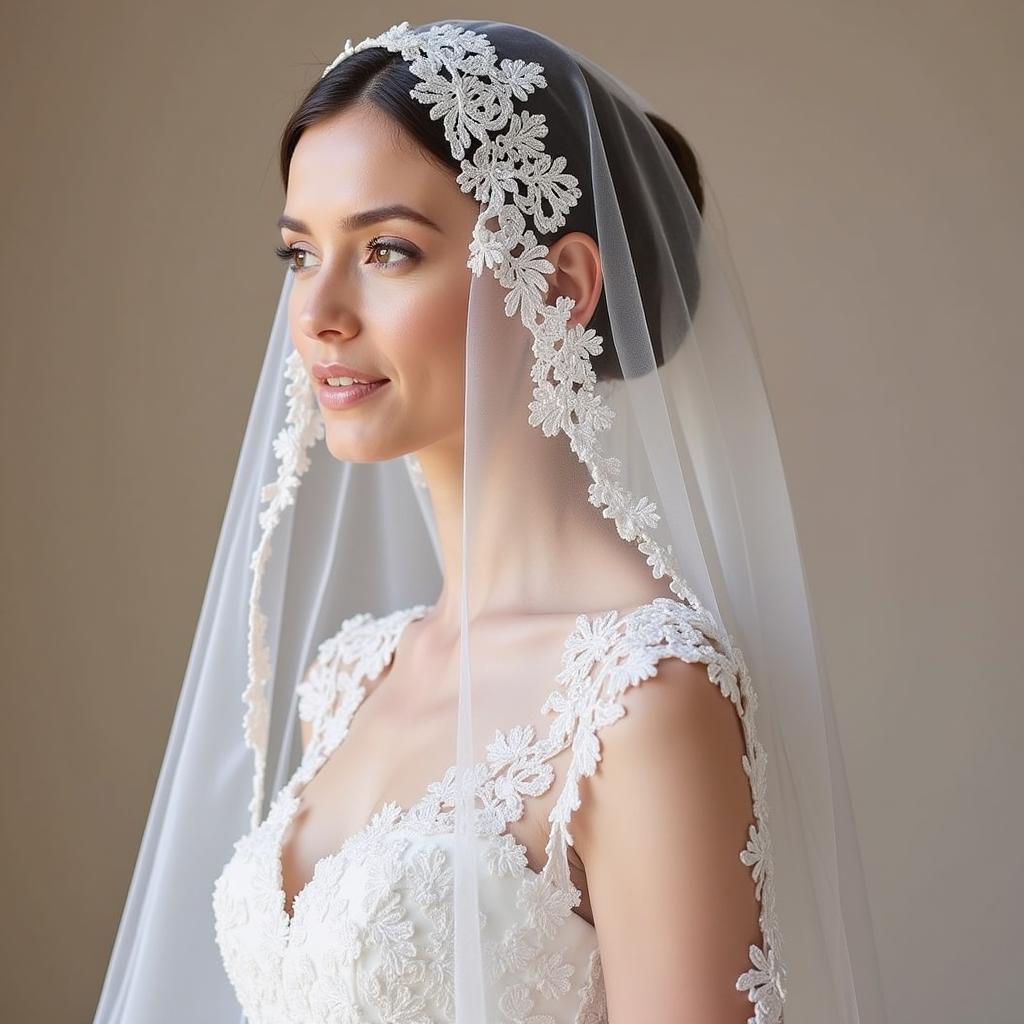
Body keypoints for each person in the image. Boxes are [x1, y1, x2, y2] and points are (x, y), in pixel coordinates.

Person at [94, 19, 887, 1024]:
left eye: (386, 249)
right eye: (300, 254)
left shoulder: (640, 701)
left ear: (558, 285)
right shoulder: (347, 682)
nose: (319, 313)